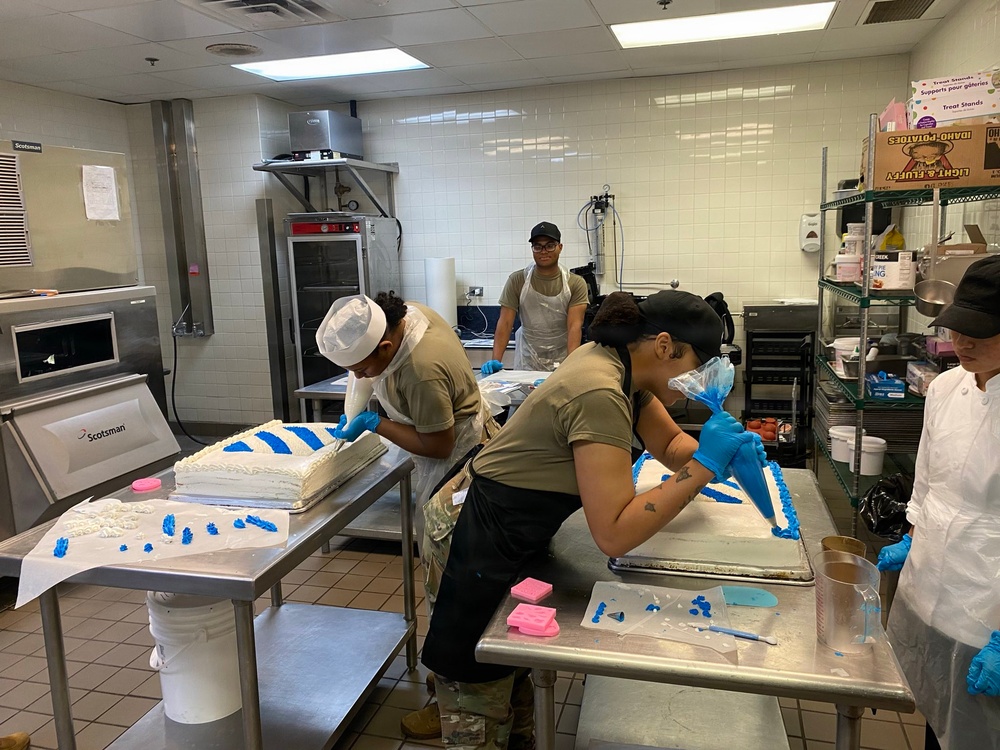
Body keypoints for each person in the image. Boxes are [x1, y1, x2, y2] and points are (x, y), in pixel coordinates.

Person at [413, 290, 760, 750]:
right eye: (697, 367)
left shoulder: (623, 368)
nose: (698, 382)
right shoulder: (599, 388)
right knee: (477, 690)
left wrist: (725, 455)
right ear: (663, 346)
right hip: (471, 530)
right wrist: (705, 468)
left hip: (509, 527)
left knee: (510, 679)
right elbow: (614, 533)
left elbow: (672, 447)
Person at [877, 255, 1000, 750]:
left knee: (980, 731)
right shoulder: (945, 388)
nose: (962, 343)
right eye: (957, 329)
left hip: (988, 610)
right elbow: (927, 479)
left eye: (981, 331)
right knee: (935, 710)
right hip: (932, 586)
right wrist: (913, 536)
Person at [317, 291, 499, 524]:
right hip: (458, 436)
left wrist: (375, 422)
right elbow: (365, 370)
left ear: (385, 346)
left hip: (459, 457)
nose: (359, 377)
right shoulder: (406, 315)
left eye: (362, 369)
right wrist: (352, 408)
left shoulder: (421, 372)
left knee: (450, 539)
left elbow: (439, 446)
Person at [481, 221, 589, 375]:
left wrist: (571, 367)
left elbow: (574, 327)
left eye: (550, 245)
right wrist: (496, 360)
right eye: (538, 246)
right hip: (527, 358)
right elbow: (505, 323)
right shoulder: (517, 280)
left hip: (562, 357)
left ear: (560, 247)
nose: (543, 251)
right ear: (532, 249)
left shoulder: (575, 283)